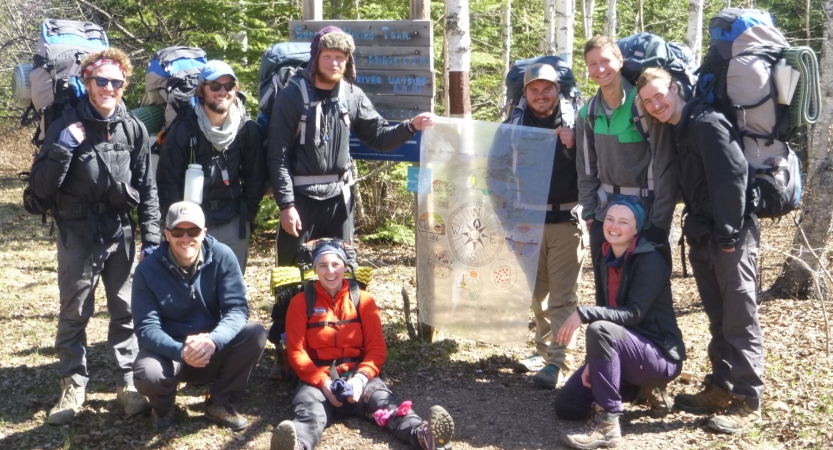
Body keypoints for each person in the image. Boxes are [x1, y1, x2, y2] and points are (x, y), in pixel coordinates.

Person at [29, 48, 160, 425]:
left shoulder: (133, 127)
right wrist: (62, 149)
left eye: (116, 82)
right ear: (87, 82)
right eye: (101, 80)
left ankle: (127, 383)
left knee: (126, 310)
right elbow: (39, 189)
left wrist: (151, 238)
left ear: (124, 86)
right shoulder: (64, 126)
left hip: (120, 231)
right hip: (77, 231)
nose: (108, 88)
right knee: (75, 311)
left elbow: (147, 189)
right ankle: (72, 384)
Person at [637, 67, 763, 434]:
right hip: (704, 234)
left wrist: (727, 235)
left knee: (739, 317)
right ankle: (722, 387)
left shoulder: (707, 123)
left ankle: (747, 399)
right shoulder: (681, 128)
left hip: (730, 236)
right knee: (719, 316)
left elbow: (733, 178)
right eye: (648, 102)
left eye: (660, 95)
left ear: (676, 88)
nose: (656, 104)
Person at [267, 26, 433, 266]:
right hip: (300, 198)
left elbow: (379, 137)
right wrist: (286, 205)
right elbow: (277, 156)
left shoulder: (352, 95)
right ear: (315, 59)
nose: (334, 63)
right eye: (327, 56)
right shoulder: (291, 96)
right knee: (295, 271)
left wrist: (410, 126)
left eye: (340, 57)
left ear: (348, 61)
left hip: (339, 198)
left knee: (342, 269)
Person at [270, 242, 454, 450]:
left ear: (345, 267)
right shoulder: (301, 302)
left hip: (358, 376)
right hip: (317, 380)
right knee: (310, 414)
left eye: (335, 264)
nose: (330, 271)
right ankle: (296, 445)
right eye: (322, 265)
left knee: (387, 406)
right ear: (315, 269)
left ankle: (425, 436)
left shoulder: (363, 300)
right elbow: (297, 352)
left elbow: (376, 349)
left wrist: (361, 378)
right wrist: (323, 383)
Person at [553, 197, 686, 449]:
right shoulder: (606, 254)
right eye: (610, 219)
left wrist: (583, 313)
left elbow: (633, 314)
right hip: (622, 350)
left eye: (624, 221)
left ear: (637, 228)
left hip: (659, 357)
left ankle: (609, 426)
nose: (614, 225)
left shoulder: (651, 259)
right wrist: (595, 361)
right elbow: (608, 312)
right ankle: (639, 392)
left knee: (599, 328)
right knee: (567, 406)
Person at [132, 202, 267, 430]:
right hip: (171, 352)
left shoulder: (223, 256)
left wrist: (213, 339)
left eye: (193, 231)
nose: (186, 239)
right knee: (147, 374)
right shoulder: (147, 270)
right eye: (177, 232)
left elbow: (237, 309)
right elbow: (146, 328)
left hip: (212, 347)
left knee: (255, 334)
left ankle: (219, 402)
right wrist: (181, 351)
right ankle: (163, 406)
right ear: (166, 235)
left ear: (204, 233)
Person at [504, 63, 584, 389]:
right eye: (534, 90)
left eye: (547, 88)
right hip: (526, 221)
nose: (540, 95)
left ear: (557, 91)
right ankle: (543, 351)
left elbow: (597, 167)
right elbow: (494, 170)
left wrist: (576, 144)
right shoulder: (512, 127)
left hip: (566, 221)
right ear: (525, 93)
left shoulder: (577, 125)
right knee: (536, 296)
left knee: (563, 297)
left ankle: (559, 362)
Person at [575, 36, 677, 293]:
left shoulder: (644, 105)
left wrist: (660, 220)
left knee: (650, 294)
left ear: (620, 61)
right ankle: (608, 335)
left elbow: (664, 163)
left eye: (606, 61)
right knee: (607, 292)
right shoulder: (588, 113)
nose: (600, 69)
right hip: (605, 215)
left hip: (647, 214)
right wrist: (589, 214)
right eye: (592, 64)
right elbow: (586, 168)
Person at [157, 60, 266, 272]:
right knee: (192, 290)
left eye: (229, 86)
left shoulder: (246, 128)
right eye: (215, 86)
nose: (222, 91)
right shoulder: (183, 129)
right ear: (202, 90)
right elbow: (166, 181)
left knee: (230, 287)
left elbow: (256, 176)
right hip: (191, 224)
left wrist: (247, 215)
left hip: (233, 220)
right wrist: (179, 226)